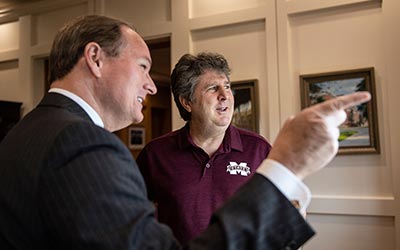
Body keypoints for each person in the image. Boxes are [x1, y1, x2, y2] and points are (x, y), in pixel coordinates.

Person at [0, 14, 371, 250]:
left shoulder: (20, 135)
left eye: (230, 87)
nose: (150, 85)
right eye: (144, 67)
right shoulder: (85, 144)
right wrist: (288, 164)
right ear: (95, 58)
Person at [136, 52, 272, 244]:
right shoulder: (155, 155)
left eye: (227, 86)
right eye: (212, 88)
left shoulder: (259, 149)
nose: (225, 96)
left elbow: (285, 210)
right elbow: (132, 218)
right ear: (187, 102)